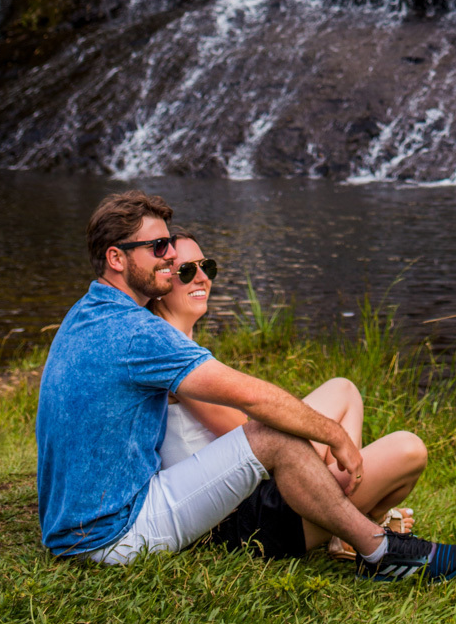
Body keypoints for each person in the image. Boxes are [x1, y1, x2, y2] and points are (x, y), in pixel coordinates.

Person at [35, 190, 456, 583]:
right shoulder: (135, 332)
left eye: (170, 245)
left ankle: (365, 540)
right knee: (270, 433)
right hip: (114, 535)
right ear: (116, 258)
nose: (170, 257)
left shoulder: (89, 312)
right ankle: (379, 550)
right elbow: (251, 398)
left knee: (289, 421)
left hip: (73, 528)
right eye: (158, 247)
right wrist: (333, 434)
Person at [150, 234, 427, 560]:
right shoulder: (173, 356)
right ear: (161, 284)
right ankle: (350, 525)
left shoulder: (171, 342)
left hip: (242, 491)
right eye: (186, 271)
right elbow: (244, 434)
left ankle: (344, 525)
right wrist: (318, 437)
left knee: (344, 390)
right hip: (237, 517)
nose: (202, 278)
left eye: (206, 267)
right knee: (409, 451)